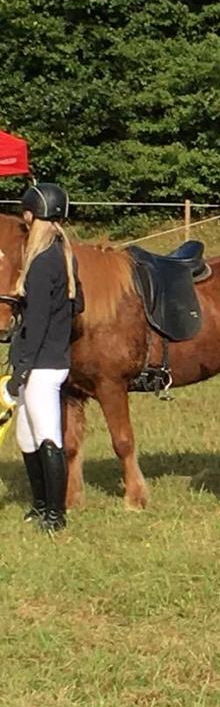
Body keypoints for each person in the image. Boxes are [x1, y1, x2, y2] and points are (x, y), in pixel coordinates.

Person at [9, 183, 84, 533]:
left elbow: (36, 323)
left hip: (41, 364)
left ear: (30, 216)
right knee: (26, 437)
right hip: (51, 357)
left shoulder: (41, 263)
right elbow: (78, 304)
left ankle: (55, 514)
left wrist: (18, 371)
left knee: (46, 436)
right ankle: (40, 505)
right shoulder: (64, 254)